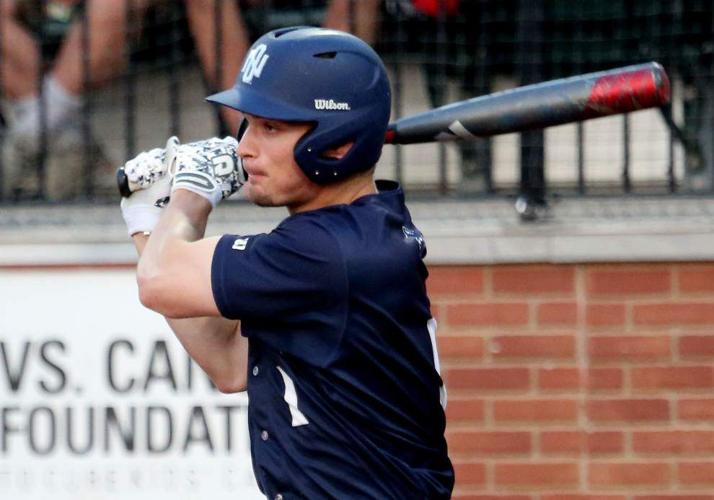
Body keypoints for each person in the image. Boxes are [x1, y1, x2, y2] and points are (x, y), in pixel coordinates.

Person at [120, 26, 454, 498]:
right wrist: (149, 219)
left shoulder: (328, 252)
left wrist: (191, 193)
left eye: (271, 128)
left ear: (338, 143)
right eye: (249, 123)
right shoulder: (340, 236)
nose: (243, 148)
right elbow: (229, 363)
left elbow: (159, 280)